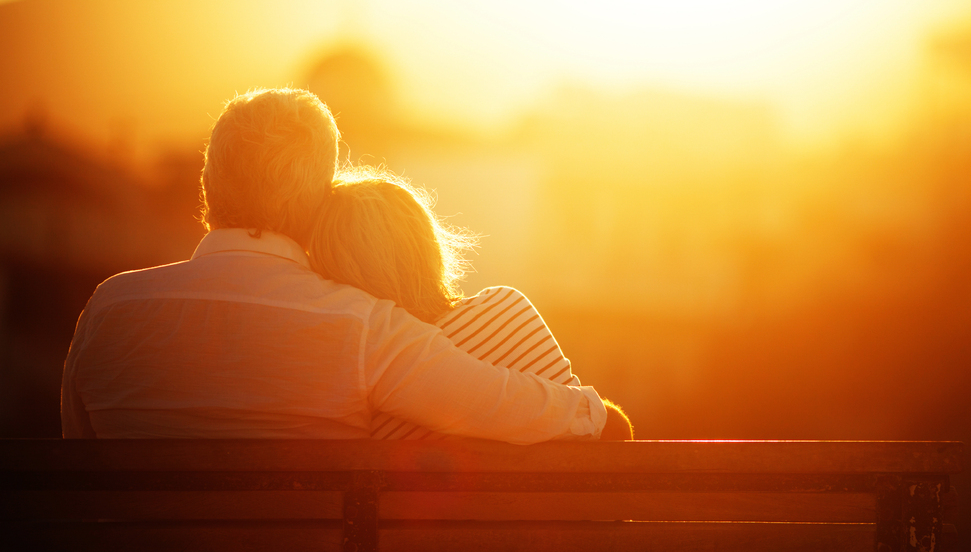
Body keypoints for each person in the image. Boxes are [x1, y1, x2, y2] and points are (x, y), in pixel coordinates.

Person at [61, 88, 625, 443]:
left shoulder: (108, 309)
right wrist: (592, 414)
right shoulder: (361, 328)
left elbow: (75, 471)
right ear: (317, 198)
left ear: (209, 182)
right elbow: (500, 403)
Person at [308, 166, 633, 440]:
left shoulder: (363, 381)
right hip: (565, 514)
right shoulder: (507, 309)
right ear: (428, 244)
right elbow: (608, 431)